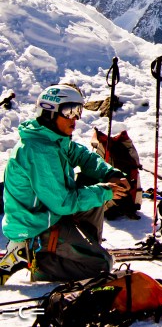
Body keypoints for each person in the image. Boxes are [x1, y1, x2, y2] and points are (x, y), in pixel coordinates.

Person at [1, 84, 130, 285]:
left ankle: (82, 248)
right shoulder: (39, 151)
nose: (75, 118)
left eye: (78, 111)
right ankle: (39, 262)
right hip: (36, 227)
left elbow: (83, 156)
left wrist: (109, 174)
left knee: (93, 180)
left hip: (51, 216)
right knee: (100, 266)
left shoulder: (53, 138)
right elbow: (63, 203)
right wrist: (105, 191)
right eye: (69, 111)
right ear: (49, 113)